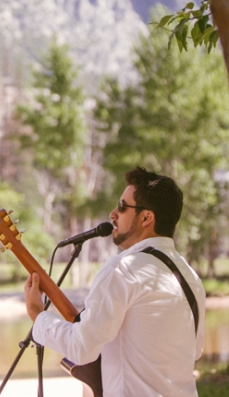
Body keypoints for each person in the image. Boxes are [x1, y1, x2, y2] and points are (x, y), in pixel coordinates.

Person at [24, 166, 206, 397]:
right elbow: (194, 350)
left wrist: (37, 315)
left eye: (122, 206)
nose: (113, 214)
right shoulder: (189, 275)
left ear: (147, 217)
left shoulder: (123, 268)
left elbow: (81, 348)